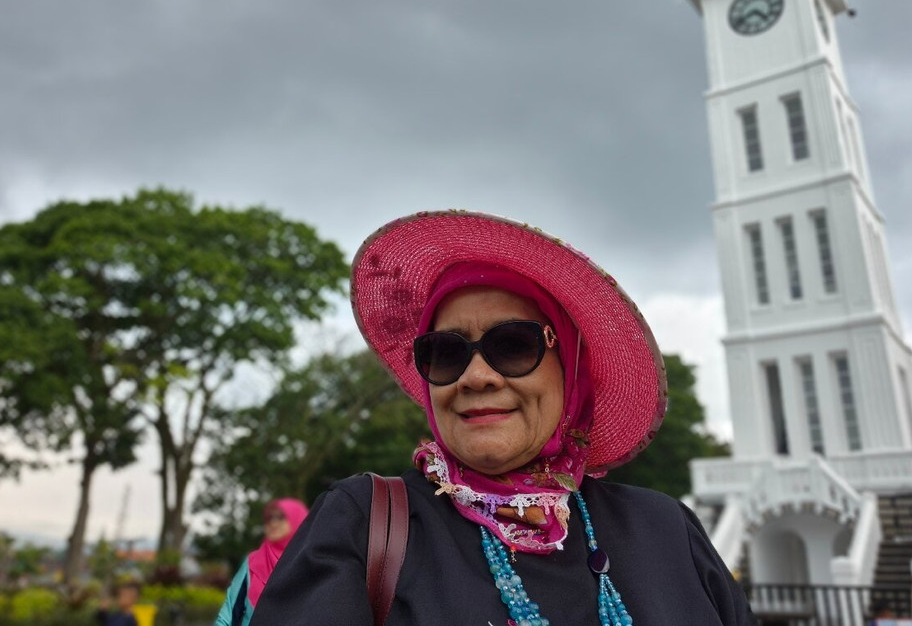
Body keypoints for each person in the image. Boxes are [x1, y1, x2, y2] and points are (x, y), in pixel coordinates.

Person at [250, 210, 755, 625]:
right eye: (446, 353)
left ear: (571, 371)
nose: (476, 377)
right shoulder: (359, 525)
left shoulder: (664, 531)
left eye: (513, 345)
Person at [216, 498, 309, 626]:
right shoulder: (253, 562)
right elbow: (228, 615)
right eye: (269, 518)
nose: (273, 523)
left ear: (297, 519)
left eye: (281, 517)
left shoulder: (309, 564)